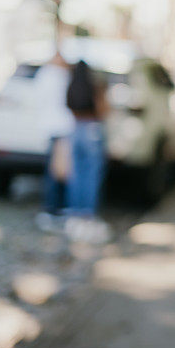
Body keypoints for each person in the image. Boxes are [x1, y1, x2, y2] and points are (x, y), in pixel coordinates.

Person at [63, 59, 111, 244]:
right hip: (92, 128)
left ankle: (75, 212)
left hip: (75, 128)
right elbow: (103, 109)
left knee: (76, 173)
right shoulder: (94, 86)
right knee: (92, 174)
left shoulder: (72, 85)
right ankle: (88, 214)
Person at [33, 49, 75, 233]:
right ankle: (57, 206)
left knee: (55, 169)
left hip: (52, 126)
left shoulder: (44, 75)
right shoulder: (62, 75)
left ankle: (54, 207)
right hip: (63, 126)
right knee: (60, 170)